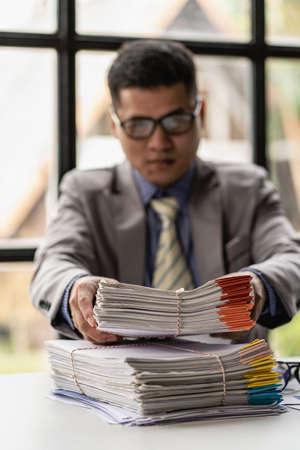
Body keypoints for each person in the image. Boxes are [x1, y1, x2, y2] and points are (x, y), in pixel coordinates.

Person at [30, 39, 300, 344]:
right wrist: (75, 286)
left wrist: (259, 284)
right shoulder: (84, 192)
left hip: (227, 381)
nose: (159, 143)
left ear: (201, 114)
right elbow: (53, 264)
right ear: (114, 124)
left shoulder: (248, 189)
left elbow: (291, 259)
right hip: (114, 385)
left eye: (176, 121)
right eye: (138, 125)